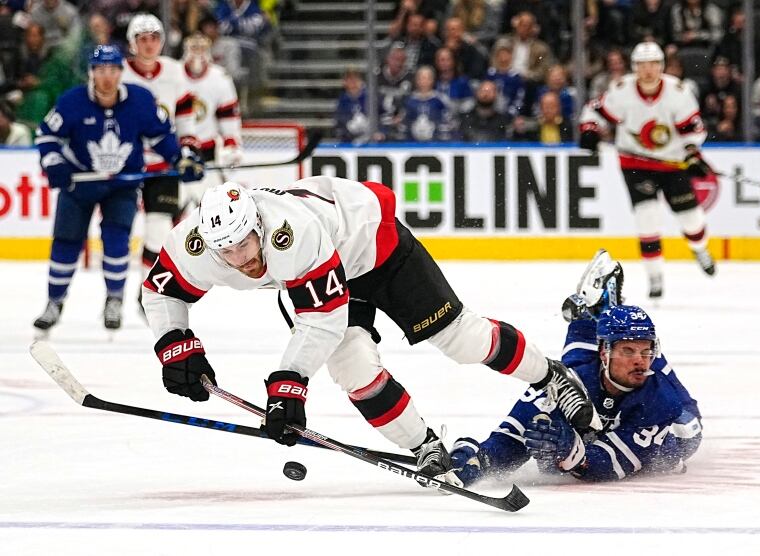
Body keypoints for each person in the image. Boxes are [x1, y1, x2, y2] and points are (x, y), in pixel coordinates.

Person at [140, 179, 602, 484]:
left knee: (461, 340)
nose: (241, 260)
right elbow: (160, 291)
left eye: (244, 244)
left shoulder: (291, 234)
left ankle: (550, 376)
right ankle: (425, 446)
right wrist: (175, 345)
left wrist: (287, 387)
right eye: (227, 252)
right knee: (353, 366)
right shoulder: (195, 244)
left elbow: (323, 319)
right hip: (320, 273)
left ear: (259, 226)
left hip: (374, 248)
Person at [450, 250, 703, 486]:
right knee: (562, 394)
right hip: (592, 367)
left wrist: (574, 454)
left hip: (674, 426)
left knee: (684, 431)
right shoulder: (571, 375)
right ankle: (595, 311)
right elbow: (514, 434)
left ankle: (598, 310)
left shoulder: (662, 402)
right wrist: (480, 461)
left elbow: (610, 463)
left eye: (646, 350)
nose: (640, 359)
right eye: (628, 350)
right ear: (603, 352)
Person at [31, 45, 203, 334]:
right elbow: (46, 134)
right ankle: (54, 302)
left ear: (120, 73)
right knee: (66, 242)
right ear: (91, 73)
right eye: (100, 70)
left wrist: (180, 159)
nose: (107, 76)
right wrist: (54, 163)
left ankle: (114, 300)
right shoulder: (72, 101)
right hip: (79, 184)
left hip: (121, 185)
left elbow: (161, 136)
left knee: (116, 241)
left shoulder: (140, 100)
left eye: (112, 70)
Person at [579, 41, 716, 299]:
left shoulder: (678, 91)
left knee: (692, 218)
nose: (648, 70)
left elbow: (694, 130)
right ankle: (655, 277)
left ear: (661, 66)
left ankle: (700, 249)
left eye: (653, 64)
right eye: (642, 65)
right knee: (647, 217)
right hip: (636, 165)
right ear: (634, 67)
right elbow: (593, 111)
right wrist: (589, 131)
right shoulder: (621, 91)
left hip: (671, 163)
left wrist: (691, 154)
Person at [121, 14, 199, 309]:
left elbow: (185, 117)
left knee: (159, 230)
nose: (150, 44)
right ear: (132, 43)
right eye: (143, 39)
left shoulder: (175, 72)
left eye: (155, 38)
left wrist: (188, 148)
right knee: (118, 233)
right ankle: (112, 295)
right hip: (126, 164)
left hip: (164, 164)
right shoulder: (118, 72)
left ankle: (146, 292)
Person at [180, 32, 243, 208]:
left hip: (207, 156)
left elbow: (229, 117)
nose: (198, 52)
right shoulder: (174, 75)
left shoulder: (220, 78)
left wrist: (232, 144)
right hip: (177, 156)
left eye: (202, 47)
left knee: (212, 209)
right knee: (173, 211)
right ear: (185, 49)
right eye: (194, 47)